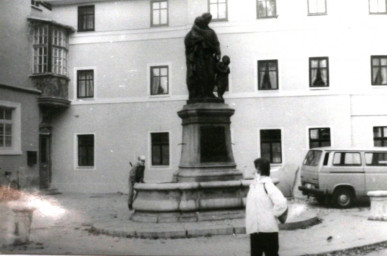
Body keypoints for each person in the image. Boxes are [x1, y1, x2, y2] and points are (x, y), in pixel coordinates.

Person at [245, 158, 288, 256]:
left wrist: (271, 216)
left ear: (259, 171)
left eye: (255, 169)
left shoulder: (268, 185)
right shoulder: (255, 186)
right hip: (255, 231)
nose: (253, 172)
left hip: (268, 231)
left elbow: (281, 203)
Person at [184, 12, 221, 100]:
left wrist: (218, 52)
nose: (208, 22)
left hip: (209, 58)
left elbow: (216, 43)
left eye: (209, 20)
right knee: (200, 75)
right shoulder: (194, 31)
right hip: (199, 57)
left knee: (211, 75)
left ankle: (209, 93)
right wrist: (198, 41)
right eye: (207, 20)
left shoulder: (211, 32)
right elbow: (188, 41)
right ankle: (200, 94)